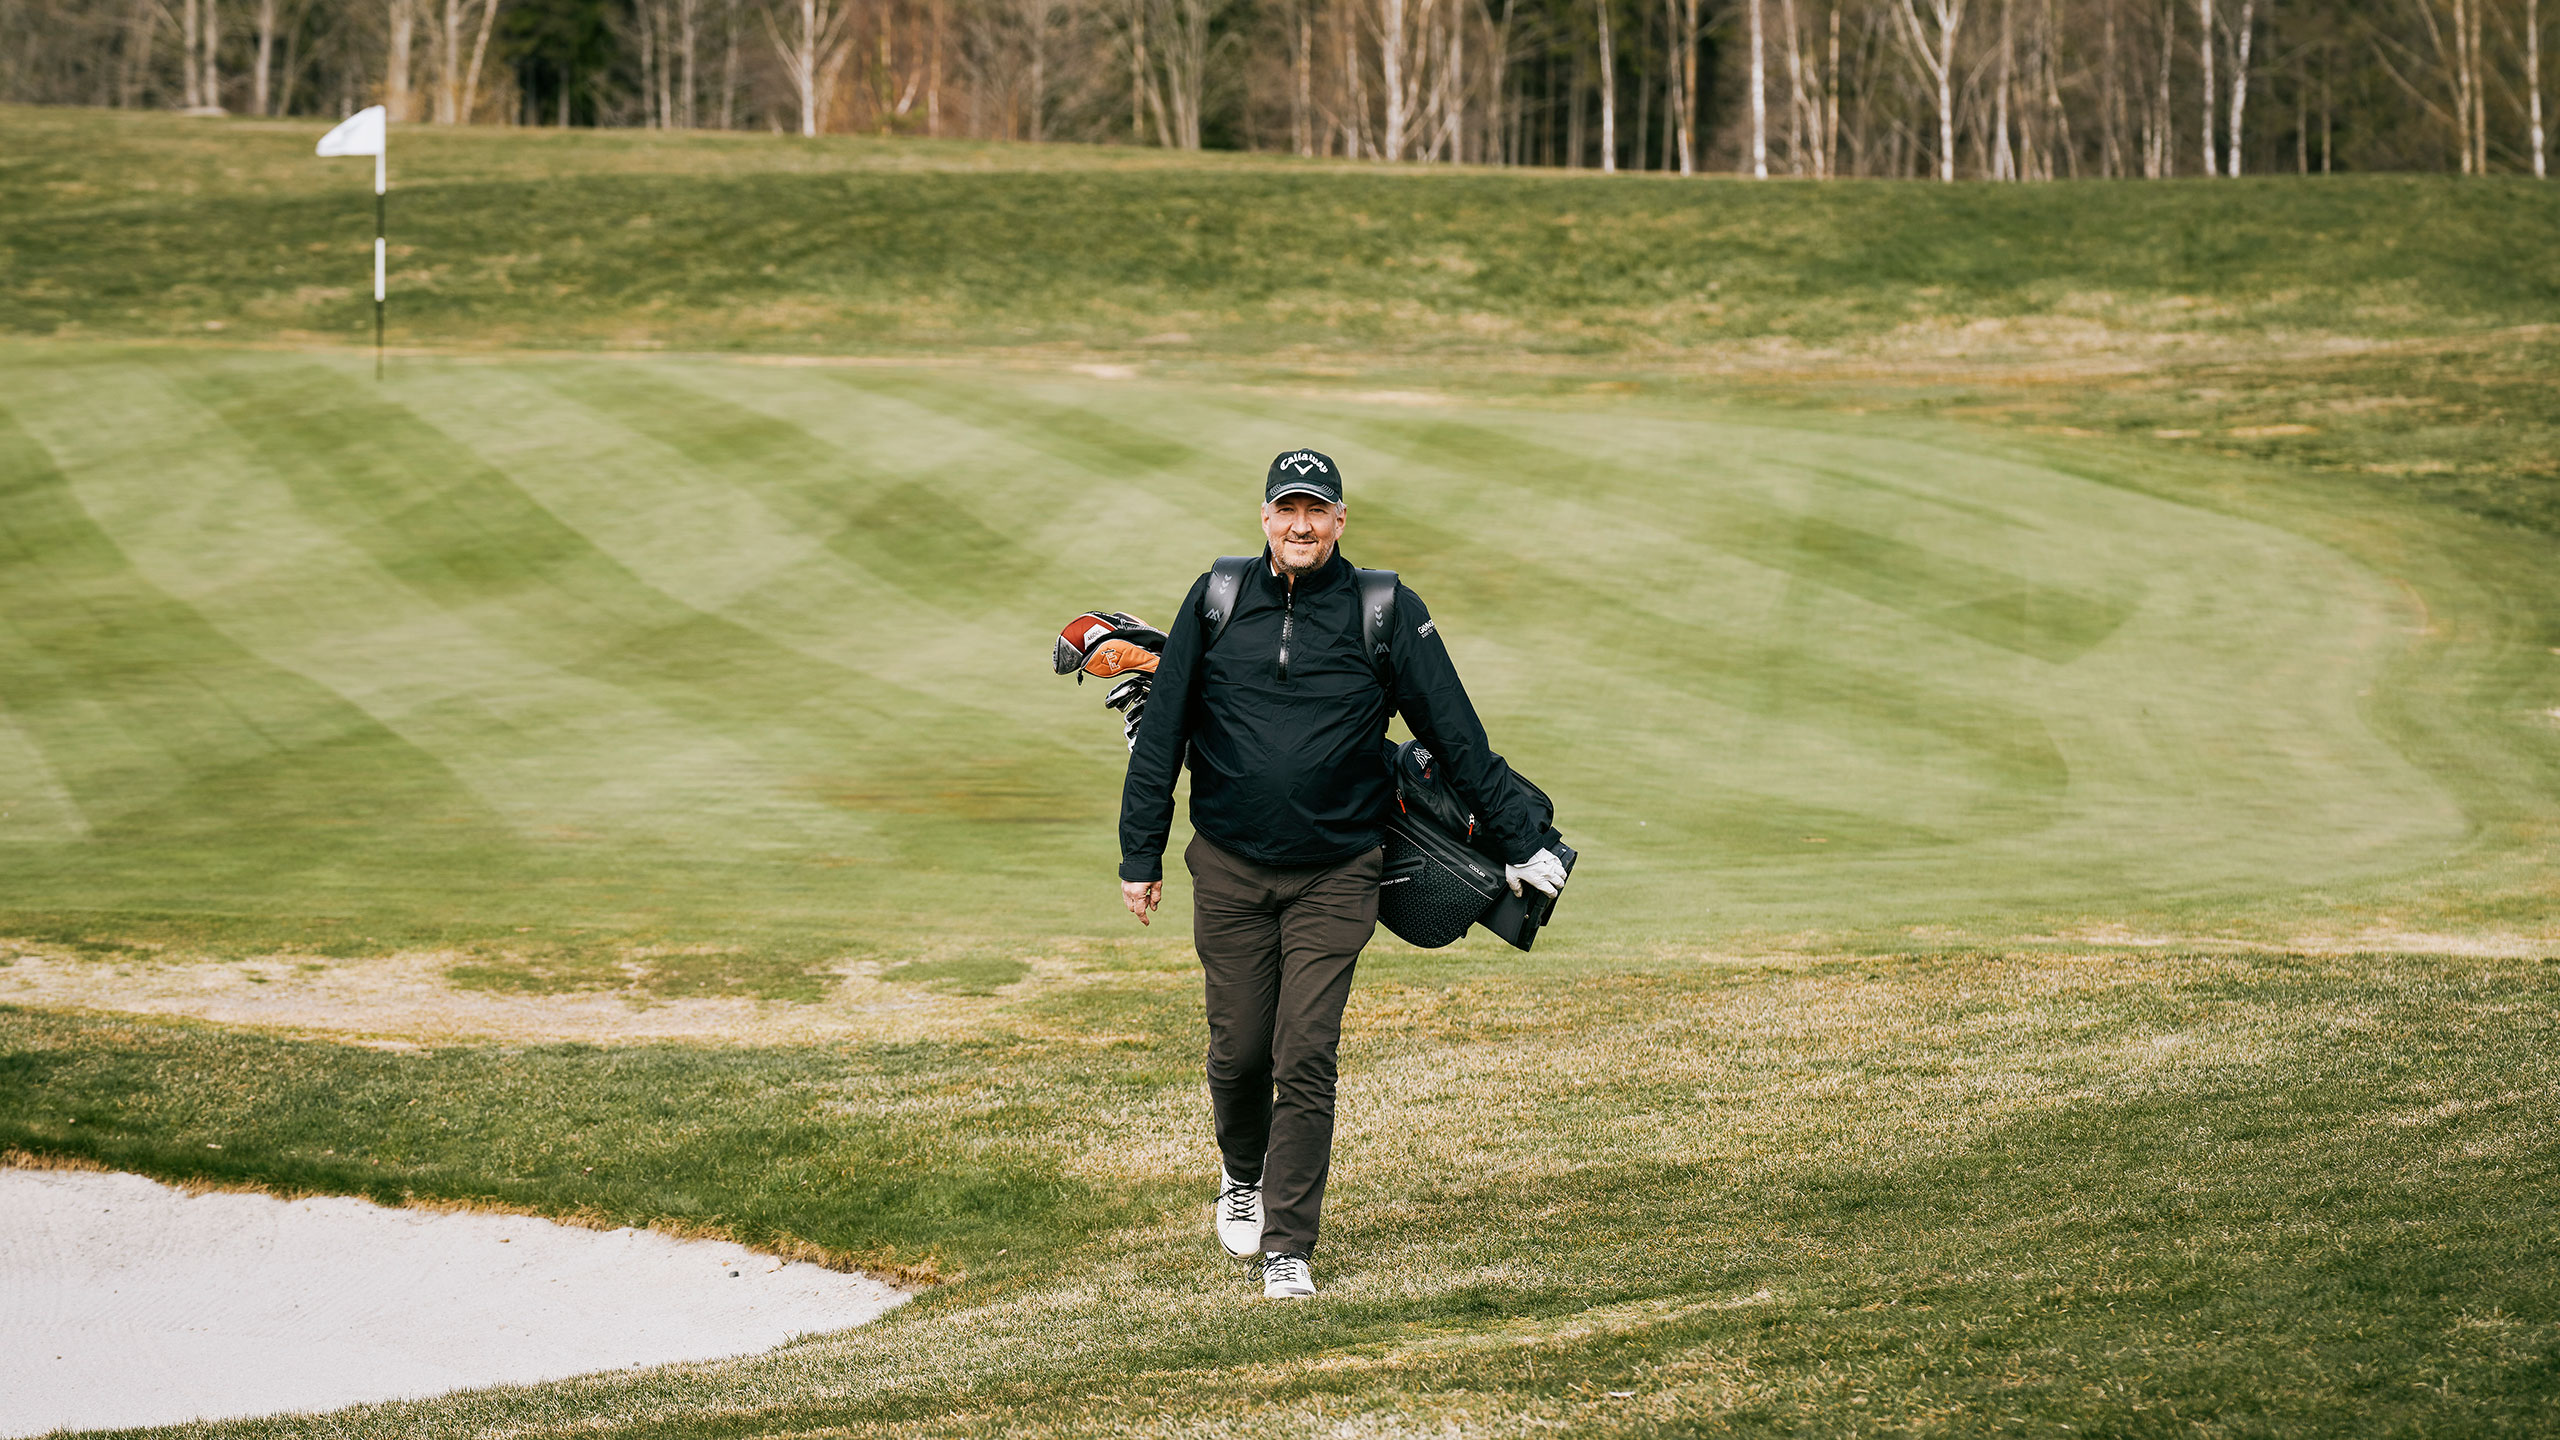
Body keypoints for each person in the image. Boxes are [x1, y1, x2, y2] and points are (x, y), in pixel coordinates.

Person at [1116, 448, 1569, 1300]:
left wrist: (1521, 840)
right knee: (1239, 1051)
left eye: (1316, 510)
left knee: (1307, 1052)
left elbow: (1457, 736)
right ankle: (1241, 1173)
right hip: (1229, 868)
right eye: (1286, 509)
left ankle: (1290, 1245)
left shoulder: (1385, 611)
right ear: (1263, 519)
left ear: (1339, 520)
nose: (1300, 525)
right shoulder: (1216, 601)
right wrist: (1141, 854)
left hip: (1339, 872)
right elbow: (1165, 728)